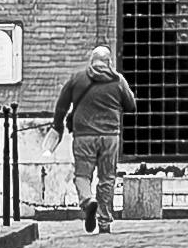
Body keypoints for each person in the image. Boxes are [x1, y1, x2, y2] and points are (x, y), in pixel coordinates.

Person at [53, 38, 135, 233]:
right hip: (110, 137)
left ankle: (87, 200)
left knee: (82, 175)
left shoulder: (77, 78)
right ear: (108, 62)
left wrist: (57, 126)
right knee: (107, 178)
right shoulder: (117, 80)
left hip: (84, 137)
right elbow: (131, 105)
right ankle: (104, 222)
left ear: (92, 61)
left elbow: (62, 105)